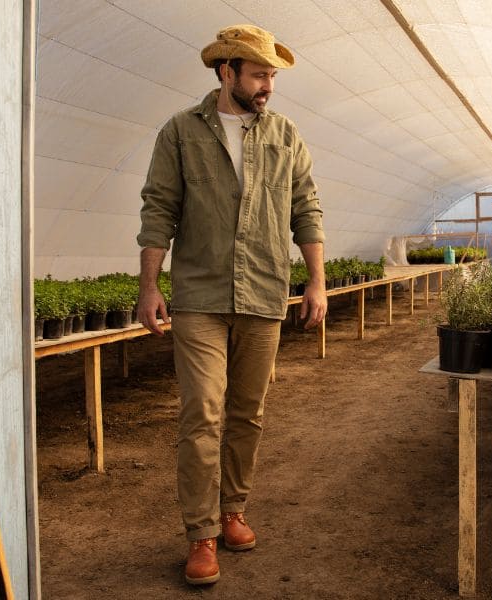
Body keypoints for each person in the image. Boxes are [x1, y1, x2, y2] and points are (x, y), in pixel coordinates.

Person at [134, 23, 327, 585]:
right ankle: (201, 536)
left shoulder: (285, 135)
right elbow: (158, 209)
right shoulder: (180, 133)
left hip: (264, 291)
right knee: (202, 414)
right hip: (199, 297)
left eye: (272, 75)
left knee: (248, 413)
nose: (269, 84)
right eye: (260, 73)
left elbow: (306, 209)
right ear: (227, 72)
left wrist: (315, 281)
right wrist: (150, 286)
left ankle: (233, 509)